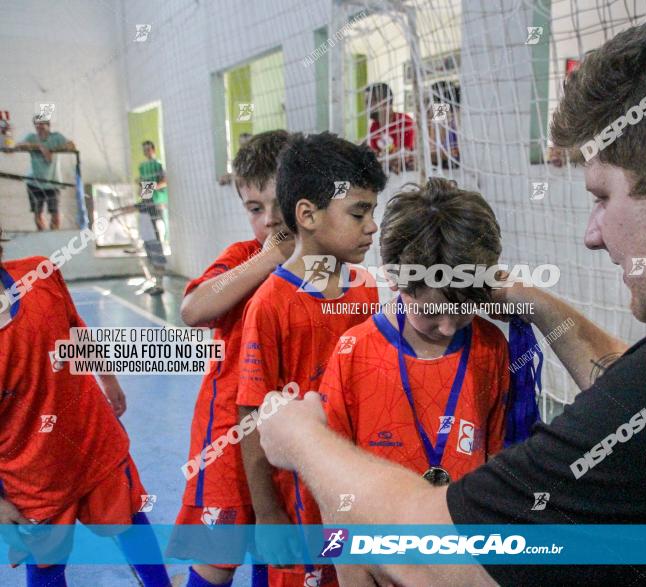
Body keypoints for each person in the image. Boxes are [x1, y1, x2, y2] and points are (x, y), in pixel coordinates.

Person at [255, 1, 646, 585]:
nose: (591, 234)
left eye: (602, 195)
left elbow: (435, 555)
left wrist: (300, 437)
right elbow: (634, 393)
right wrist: (534, 303)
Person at [314, 178, 511, 583]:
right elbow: (328, 476)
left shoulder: (491, 348)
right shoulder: (354, 353)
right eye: (433, 312)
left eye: (465, 310)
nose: (449, 326)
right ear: (395, 278)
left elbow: (495, 460)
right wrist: (346, 566)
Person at [236, 132, 387, 587]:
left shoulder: (366, 290)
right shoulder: (270, 305)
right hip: (301, 502)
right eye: (359, 213)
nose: (372, 227)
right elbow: (250, 413)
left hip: (360, 491)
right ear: (307, 214)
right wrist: (266, 512)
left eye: (373, 213)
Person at [0, 230, 170, 587]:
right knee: (47, 568)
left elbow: (75, 329)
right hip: (31, 476)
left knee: (131, 524)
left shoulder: (39, 274)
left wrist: (107, 377)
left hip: (93, 441)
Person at [170, 130, 297, 587]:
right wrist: (267, 261)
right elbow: (193, 309)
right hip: (227, 435)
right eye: (254, 209)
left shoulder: (321, 269)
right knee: (213, 562)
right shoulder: (244, 257)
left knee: (280, 550)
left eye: (278, 204)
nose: (268, 221)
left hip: (288, 438)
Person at [17, 116, 71, 231]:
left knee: (55, 213)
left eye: (41, 124)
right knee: (38, 214)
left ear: (48, 125)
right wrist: (39, 147)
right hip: (34, 182)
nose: (38, 127)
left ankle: (54, 237)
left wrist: (52, 149)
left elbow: (72, 145)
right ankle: (43, 238)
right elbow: (18, 145)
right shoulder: (31, 137)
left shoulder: (56, 137)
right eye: (36, 124)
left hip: (53, 183)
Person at [364, 83, 415, 173]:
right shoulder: (374, 127)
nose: (365, 107)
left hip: (408, 174)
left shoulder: (405, 122)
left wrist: (383, 158)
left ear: (383, 101)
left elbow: (405, 156)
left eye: (368, 102)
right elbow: (375, 156)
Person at [138, 140, 169, 244]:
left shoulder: (159, 164)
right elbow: (142, 183)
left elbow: (164, 182)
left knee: (159, 224)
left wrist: (149, 188)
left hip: (159, 200)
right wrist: (142, 190)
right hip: (148, 200)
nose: (146, 152)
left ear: (153, 149)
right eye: (144, 150)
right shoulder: (143, 167)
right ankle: (153, 248)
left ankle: (162, 244)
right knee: (149, 226)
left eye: (148, 149)